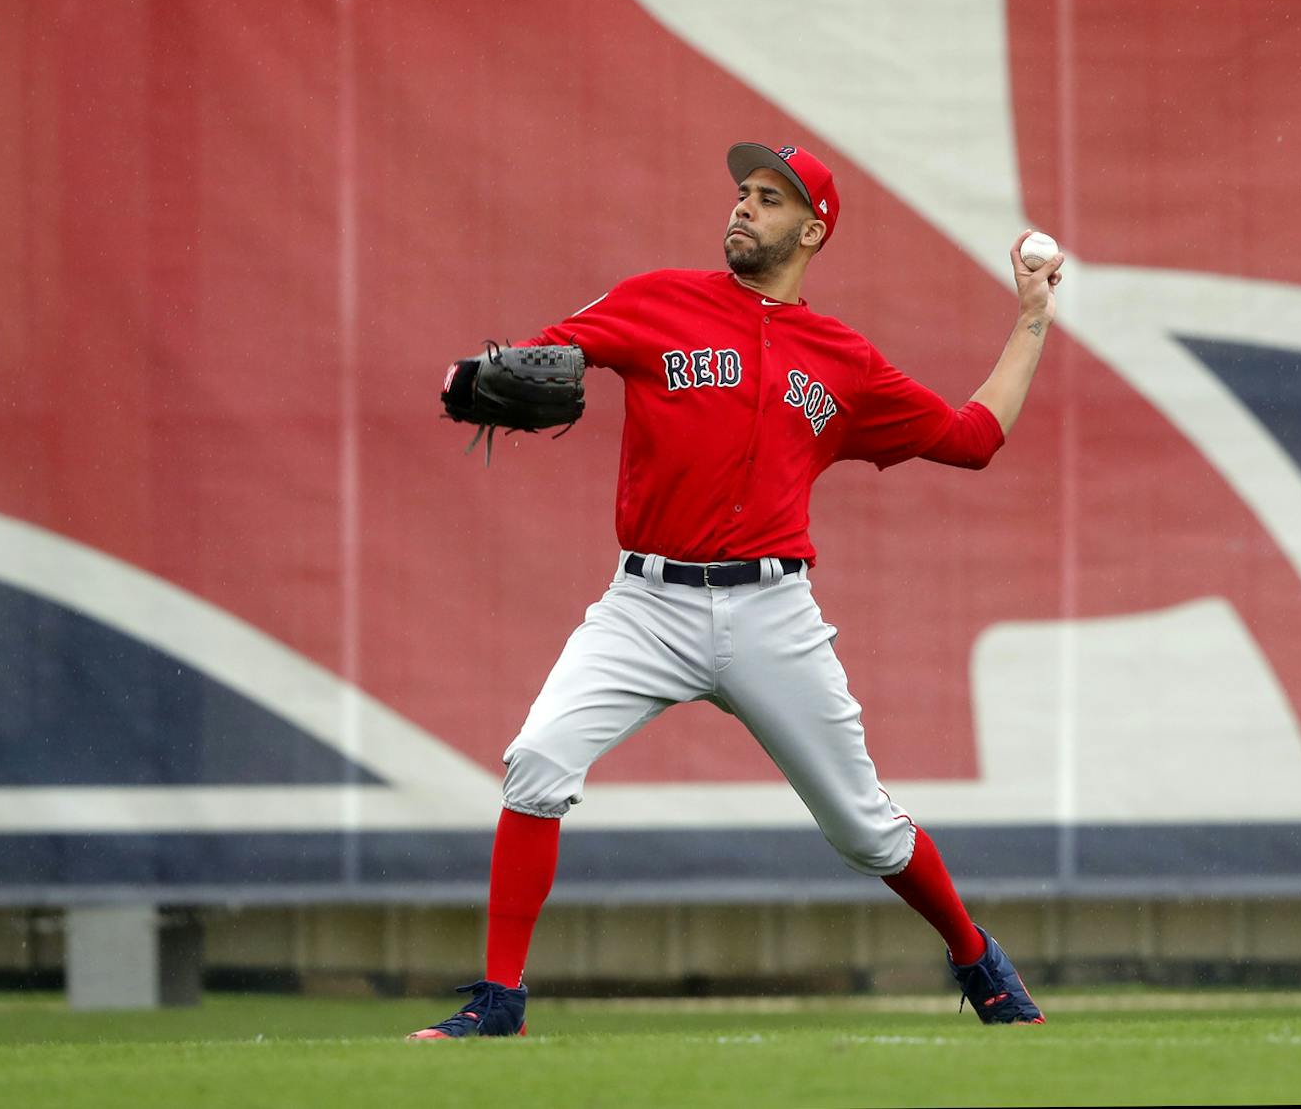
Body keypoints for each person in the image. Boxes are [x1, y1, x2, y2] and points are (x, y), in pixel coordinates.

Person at [408, 142, 1062, 1038]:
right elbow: (544, 356)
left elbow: (972, 437)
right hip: (646, 604)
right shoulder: (656, 300)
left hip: (772, 611)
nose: (745, 208)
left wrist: (1031, 319)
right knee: (537, 762)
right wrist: (465, 379)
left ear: (813, 229)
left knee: (865, 831)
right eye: (744, 192)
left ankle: (973, 954)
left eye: (770, 198)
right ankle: (499, 1001)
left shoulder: (844, 360)